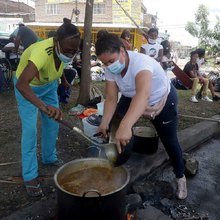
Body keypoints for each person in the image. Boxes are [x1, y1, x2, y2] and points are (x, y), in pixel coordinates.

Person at [95, 33, 187, 200]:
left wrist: (126, 125)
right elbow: (110, 98)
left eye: (111, 61)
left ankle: (180, 176)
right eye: (105, 63)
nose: (109, 66)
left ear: (122, 51)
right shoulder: (110, 69)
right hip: (132, 96)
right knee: (115, 127)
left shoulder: (140, 63)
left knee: (169, 140)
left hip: (161, 100)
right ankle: (117, 164)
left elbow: (143, 94)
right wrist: (105, 123)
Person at [14, 18, 81, 197]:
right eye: (68, 50)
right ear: (56, 42)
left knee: (53, 123)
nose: (71, 54)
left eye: (75, 50)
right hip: (28, 88)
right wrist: (43, 106)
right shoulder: (41, 52)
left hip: (49, 85)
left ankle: (49, 157)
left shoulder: (66, 50)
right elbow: (22, 84)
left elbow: (59, 67)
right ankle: (30, 176)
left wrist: (65, 81)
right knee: (30, 131)